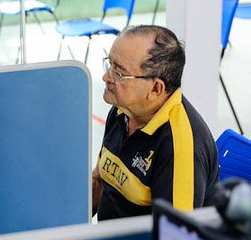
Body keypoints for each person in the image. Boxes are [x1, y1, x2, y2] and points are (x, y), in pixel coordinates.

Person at [91, 25, 219, 221]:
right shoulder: (122, 111)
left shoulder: (179, 148)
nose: (106, 77)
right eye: (110, 65)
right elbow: (100, 179)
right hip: (107, 236)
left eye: (119, 73)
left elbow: (175, 234)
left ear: (156, 89)